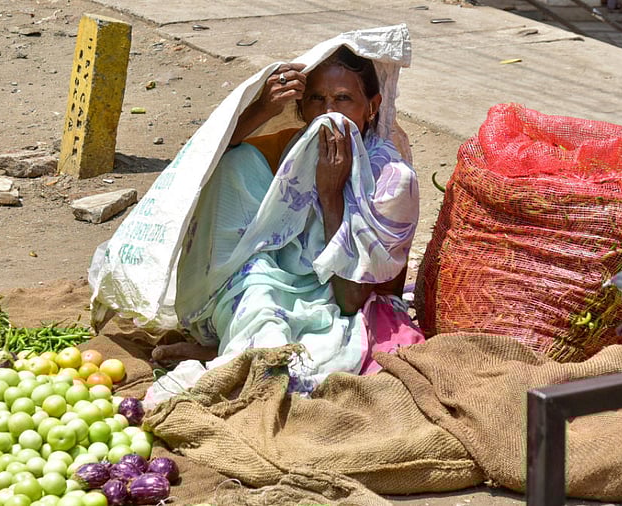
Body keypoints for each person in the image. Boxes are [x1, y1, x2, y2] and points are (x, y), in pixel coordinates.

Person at [147, 46, 424, 394]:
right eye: (316, 100)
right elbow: (208, 159)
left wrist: (331, 193)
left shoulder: (391, 178)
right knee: (238, 165)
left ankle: (234, 352)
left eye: (343, 99)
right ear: (301, 107)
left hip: (346, 300)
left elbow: (350, 299)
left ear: (372, 106)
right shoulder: (300, 147)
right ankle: (235, 346)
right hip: (287, 281)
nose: (328, 113)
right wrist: (264, 107)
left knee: (284, 349)